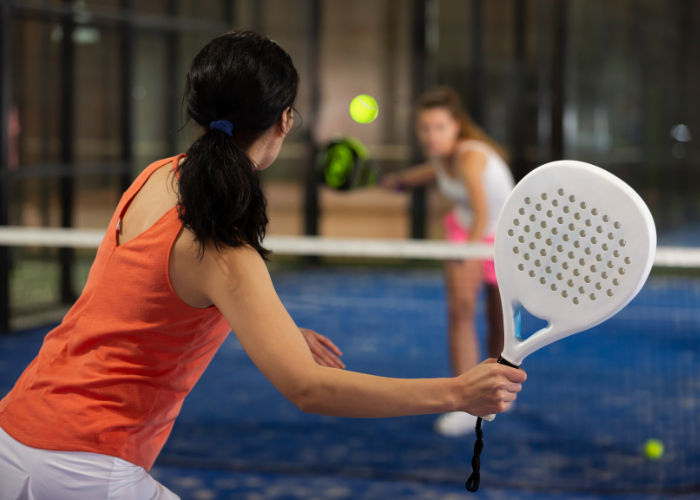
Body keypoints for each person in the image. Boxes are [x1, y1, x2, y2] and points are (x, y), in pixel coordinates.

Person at [0, 32, 525, 499]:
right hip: (85, 467)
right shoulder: (223, 246)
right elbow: (310, 389)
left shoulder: (154, 177)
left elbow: (149, 297)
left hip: (14, 433)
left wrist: (276, 327)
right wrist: (457, 392)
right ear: (284, 120)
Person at [381, 87, 516, 437]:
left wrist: (468, 254)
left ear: (456, 126)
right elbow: (419, 176)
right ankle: (466, 403)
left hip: (502, 239)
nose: (431, 135)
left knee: (498, 324)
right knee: (460, 312)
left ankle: (497, 391)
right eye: (425, 128)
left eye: (439, 127)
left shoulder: (470, 156)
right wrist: (394, 182)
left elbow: (483, 212)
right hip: (465, 229)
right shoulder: (440, 157)